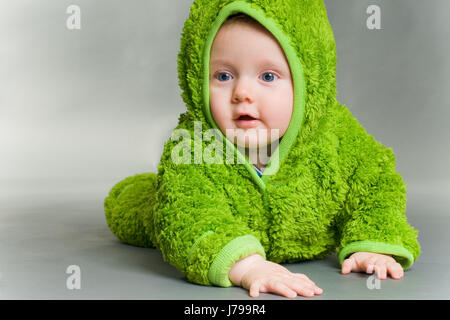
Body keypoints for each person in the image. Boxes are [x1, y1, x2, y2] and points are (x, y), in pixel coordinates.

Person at [104, 0, 420, 299]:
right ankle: (139, 195)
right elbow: (187, 215)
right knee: (152, 210)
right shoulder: (195, 141)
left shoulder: (336, 135)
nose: (242, 92)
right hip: (194, 215)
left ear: (308, 81)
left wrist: (376, 242)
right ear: (200, 78)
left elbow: (376, 184)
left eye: (268, 76)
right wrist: (247, 266)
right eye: (223, 76)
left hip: (308, 238)